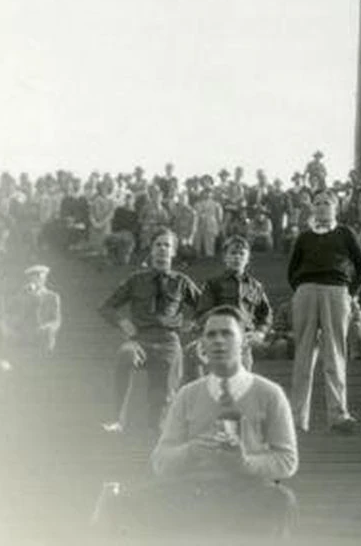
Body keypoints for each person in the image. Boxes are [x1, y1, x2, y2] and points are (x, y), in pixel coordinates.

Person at [104, 305, 298, 539]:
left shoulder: (269, 394)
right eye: (211, 335)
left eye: (227, 333)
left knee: (281, 501)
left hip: (247, 492)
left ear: (243, 341)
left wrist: (245, 462)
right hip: (194, 491)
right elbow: (161, 460)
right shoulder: (187, 395)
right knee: (123, 504)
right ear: (202, 344)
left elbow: (287, 461)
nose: (218, 341)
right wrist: (191, 450)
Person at [100, 230, 202, 433]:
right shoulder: (136, 280)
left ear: (173, 252)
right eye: (158, 245)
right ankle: (117, 420)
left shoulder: (181, 282)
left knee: (160, 410)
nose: (162, 249)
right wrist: (122, 322)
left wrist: (193, 324)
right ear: (151, 250)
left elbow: (206, 307)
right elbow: (107, 307)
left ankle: (157, 431)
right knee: (125, 354)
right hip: (141, 340)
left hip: (168, 342)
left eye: (167, 245)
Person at [286, 191, 361, 434]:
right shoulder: (304, 237)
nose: (322, 207)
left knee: (334, 352)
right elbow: (292, 270)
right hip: (306, 290)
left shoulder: (345, 234)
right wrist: (303, 289)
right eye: (318, 203)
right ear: (312, 208)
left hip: (336, 290)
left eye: (327, 203)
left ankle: (338, 415)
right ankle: (297, 418)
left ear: (336, 208)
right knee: (303, 355)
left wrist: (349, 292)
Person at [194, 237, 272, 374]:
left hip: (244, 343)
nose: (237, 257)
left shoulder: (255, 286)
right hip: (220, 341)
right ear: (225, 257)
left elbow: (266, 314)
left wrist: (260, 332)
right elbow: (203, 314)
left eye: (242, 254)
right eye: (233, 253)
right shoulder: (213, 284)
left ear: (248, 259)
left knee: (243, 385)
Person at [4, 263, 62, 356]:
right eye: (34, 277)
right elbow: (11, 315)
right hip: (24, 340)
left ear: (44, 279)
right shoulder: (21, 296)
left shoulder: (51, 297)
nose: (36, 280)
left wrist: (46, 328)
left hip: (43, 340)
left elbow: (56, 320)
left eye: (40, 277)